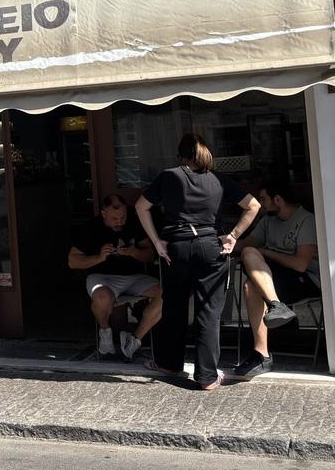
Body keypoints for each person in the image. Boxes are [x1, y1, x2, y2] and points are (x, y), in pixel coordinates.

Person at [135, 133, 260, 390]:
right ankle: (207, 377)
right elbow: (254, 206)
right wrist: (233, 236)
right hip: (210, 245)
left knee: (174, 307)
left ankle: (170, 364)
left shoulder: (168, 176)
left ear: (179, 156)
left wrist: (157, 241)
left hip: (177, 247)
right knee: (209, 311)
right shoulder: (219, 179)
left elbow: (140, 206)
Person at [231, 178, 321, 379]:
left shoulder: (306, 220)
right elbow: (248, 244)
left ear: (278, 199)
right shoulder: (267, 221)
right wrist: (225, 241)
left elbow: (301, 264)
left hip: (305, 279)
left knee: (252, 283)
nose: (261, 204)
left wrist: (266, 252)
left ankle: (263, 348)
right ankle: (262, 350)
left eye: (263, 199)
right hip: (277, 276)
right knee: (248, 257)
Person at [67, 194, 162, 360]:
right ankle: (105, 332)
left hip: (134, 277)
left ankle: (135, 339)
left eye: (123, 217)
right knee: (101, 297)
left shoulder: (134, 223)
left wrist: (134, 252)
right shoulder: (90, 228)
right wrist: (99, 257)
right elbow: (72, 262)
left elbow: (150, 255)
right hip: (102, 277)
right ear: (104, 213)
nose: (119, 221)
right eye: (114, 218)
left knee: (168, 293)